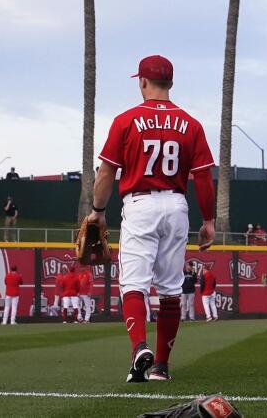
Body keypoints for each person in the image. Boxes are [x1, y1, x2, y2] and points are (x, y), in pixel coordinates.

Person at [86, 54, 217, 383]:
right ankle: (160, 366)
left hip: (140, 204)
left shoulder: (126, 120)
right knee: (172, 288)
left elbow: (106, 172)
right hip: (176, 205)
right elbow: (203, 178)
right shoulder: (192, 124)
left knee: (134, 283)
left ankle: (138, 347)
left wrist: (98, 212)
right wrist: (209, 221)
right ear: (170, 83)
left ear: (142, 82)